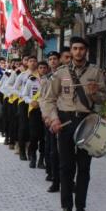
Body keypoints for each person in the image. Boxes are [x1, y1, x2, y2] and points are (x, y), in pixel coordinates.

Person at [40, 37, 106, 211]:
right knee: (66, 166)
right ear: (71, 51)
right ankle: (66, 207)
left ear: (87, 51)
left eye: (81, 49)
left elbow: (104, 98)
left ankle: (81, 207)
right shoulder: (61, 73)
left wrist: (95, 93)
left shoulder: (96, 72)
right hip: (65, 121)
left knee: (84, 167)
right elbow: (48, 99)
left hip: (87, 121)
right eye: (75, 49)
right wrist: (52, 119)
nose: (78, 52)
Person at [23, 61, 49, 169]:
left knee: (44, 137)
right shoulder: (31, 80)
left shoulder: (50, 80)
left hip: (46, 111)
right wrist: (30, 101)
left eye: (44, 68)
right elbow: (24, 95)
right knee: (34, 136)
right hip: (34, 111)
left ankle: (41, 160)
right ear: (37, 69)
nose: (42, 69)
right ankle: (33, 156)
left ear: (47, 69)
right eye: (40, 68)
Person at [42, 51, 61, 191]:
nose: (53, 61)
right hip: (51, 116)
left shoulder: (65, 75)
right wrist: (46, 115)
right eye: (51, 59)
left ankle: (67, 180)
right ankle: (54, 178)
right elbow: (43, 98)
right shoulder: (46, 78)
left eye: (55, 59)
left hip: (64, 116)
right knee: (52, 149)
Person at [16, 56, 37, 161]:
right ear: (27, 63)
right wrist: (20, 94)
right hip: (24, 103)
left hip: (35, 103)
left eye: (34, 61)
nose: (33, 63)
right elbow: (15, 87)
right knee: (23, 127)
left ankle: (31, 151)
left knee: (32, 128)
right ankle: (22, 151)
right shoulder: (23, 75)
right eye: (30, 61)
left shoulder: (40, 75)